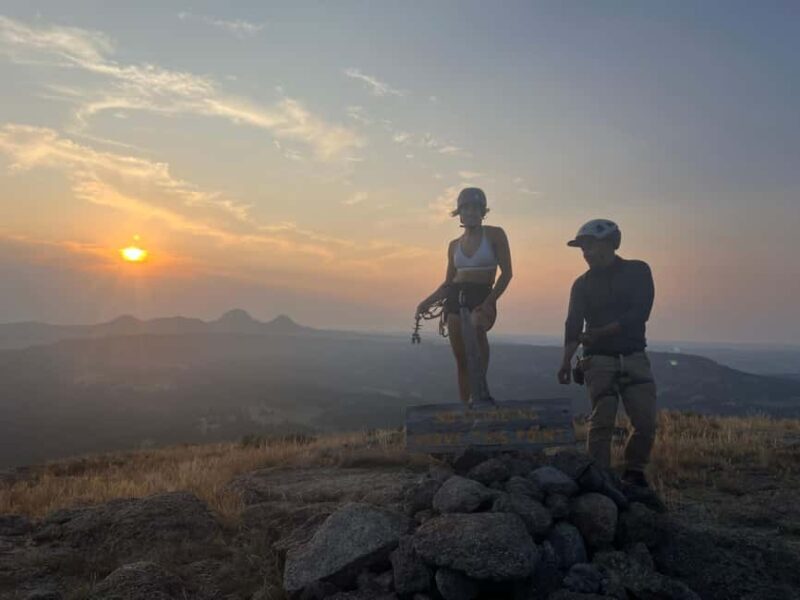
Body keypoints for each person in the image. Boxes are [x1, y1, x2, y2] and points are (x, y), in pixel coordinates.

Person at [557, 219, 656, 488]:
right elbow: (573, 324)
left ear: (610, 243)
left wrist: (600, 332)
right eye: (583, 249)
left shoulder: (638, 271)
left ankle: (634, 471)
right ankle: (599, 478)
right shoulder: (581, 284)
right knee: (602, 421)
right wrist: (566, 361)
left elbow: (639, 314)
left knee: (645, 422)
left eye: (590, 246)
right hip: (598, 358)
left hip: (633, 355)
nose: (586, 253)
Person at [416, 188, 512, 405]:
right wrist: (426, 302)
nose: (470, 212)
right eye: (465, 208)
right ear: (459, 212)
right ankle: (465, 407)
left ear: (482, 211)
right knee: (461, 360)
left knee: (477, 332)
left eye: (475, 208)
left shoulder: (495, 234)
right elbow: (449, 282)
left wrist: (489, 302)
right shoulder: (453, 246)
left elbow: (507, 274)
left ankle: (478, 393)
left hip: (482, 295)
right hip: (455, 298)